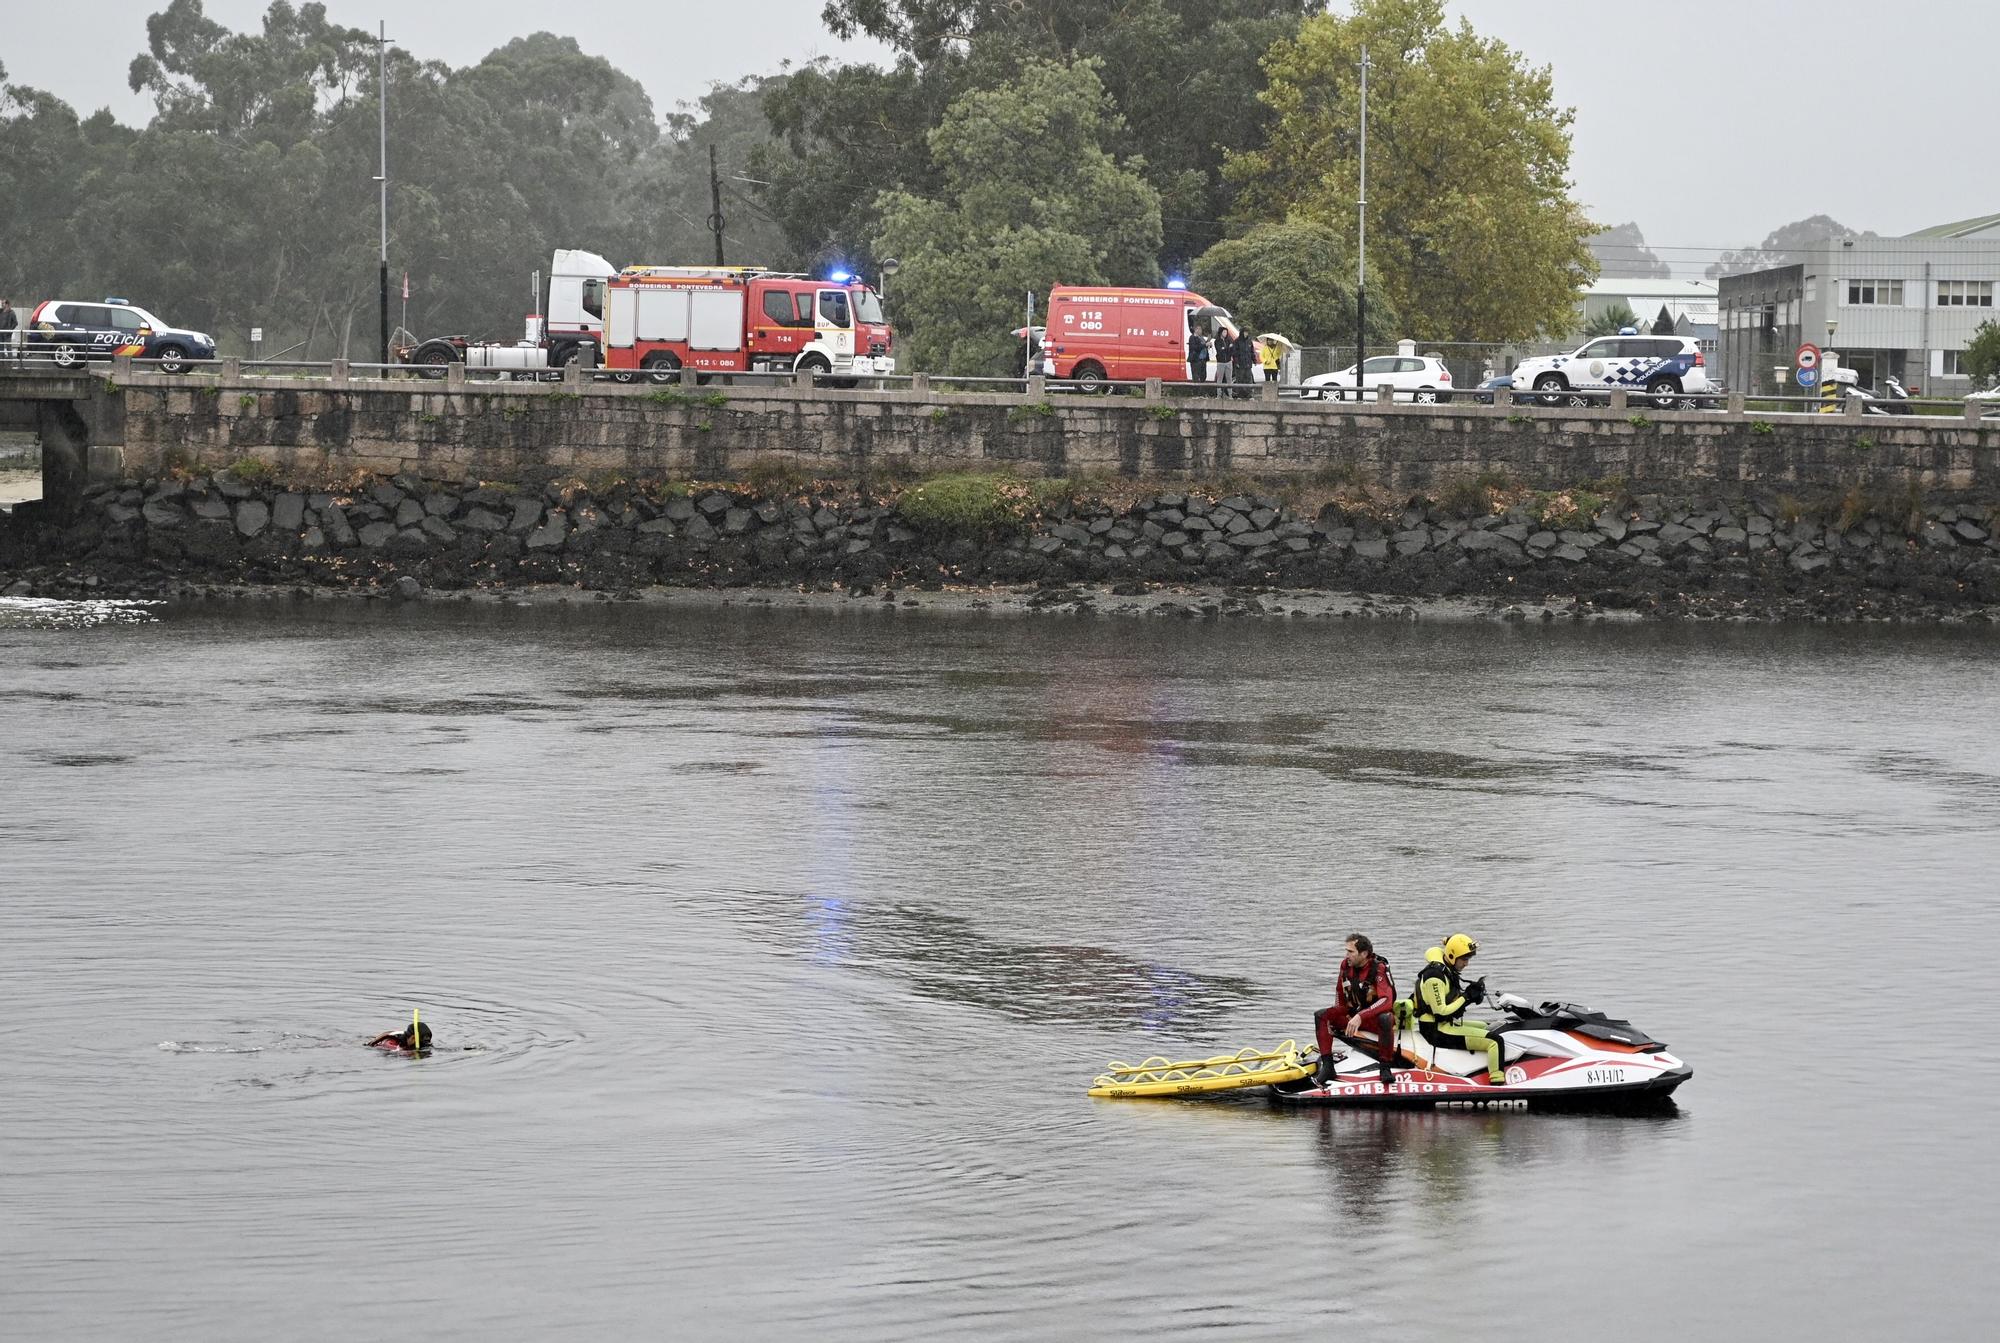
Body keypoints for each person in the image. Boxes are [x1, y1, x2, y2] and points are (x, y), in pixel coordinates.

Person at [1413, 933, 1504, 1085]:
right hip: (1435, 1030)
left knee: (1488, 1026)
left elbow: (1452, 1003)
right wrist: (1467, 997)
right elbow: (1440, 1012)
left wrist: (1470, 997)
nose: (1466, 964)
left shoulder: (1445, 969)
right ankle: (1498, 1081)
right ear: (1451, 955)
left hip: (1443, 1025)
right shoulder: (1434, 976)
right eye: (1464, 959)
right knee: (1495, 1041)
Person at [1314, 933, 1397, 1086]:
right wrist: (1336, 1014)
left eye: (1351, 952)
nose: (1347, 955)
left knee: (1386, 1018)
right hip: (1353, 1015)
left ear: (1364, 954)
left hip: (1374, 1019)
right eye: (1346, 951)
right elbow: (1340, 993)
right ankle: (1328, 1066)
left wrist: (1361, 1016)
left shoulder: (1378, 968)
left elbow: (1387, 1001)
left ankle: (1385, 1068)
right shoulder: (1345, 965)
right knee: (1322, 1015)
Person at [367, 1022, 434, 1053]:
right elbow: (398, 1052)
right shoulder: (391, 1043)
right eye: (420, 1043)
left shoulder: (410, 1039)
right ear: (413, 1038)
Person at [1229, 322, 1255, 398]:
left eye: (1247, 332)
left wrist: (1254, 360)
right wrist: (1236, 362)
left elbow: (1251, 351)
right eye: (1245, 332)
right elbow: (1235, 353)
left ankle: (1249, 395)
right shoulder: (1237, 341)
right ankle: (1240, 395)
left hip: (1248, 363)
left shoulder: (1249, 341)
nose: (1246, 334)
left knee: (1248, 379)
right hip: (1240, 364)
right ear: (1242, 332)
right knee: (1240, 380)